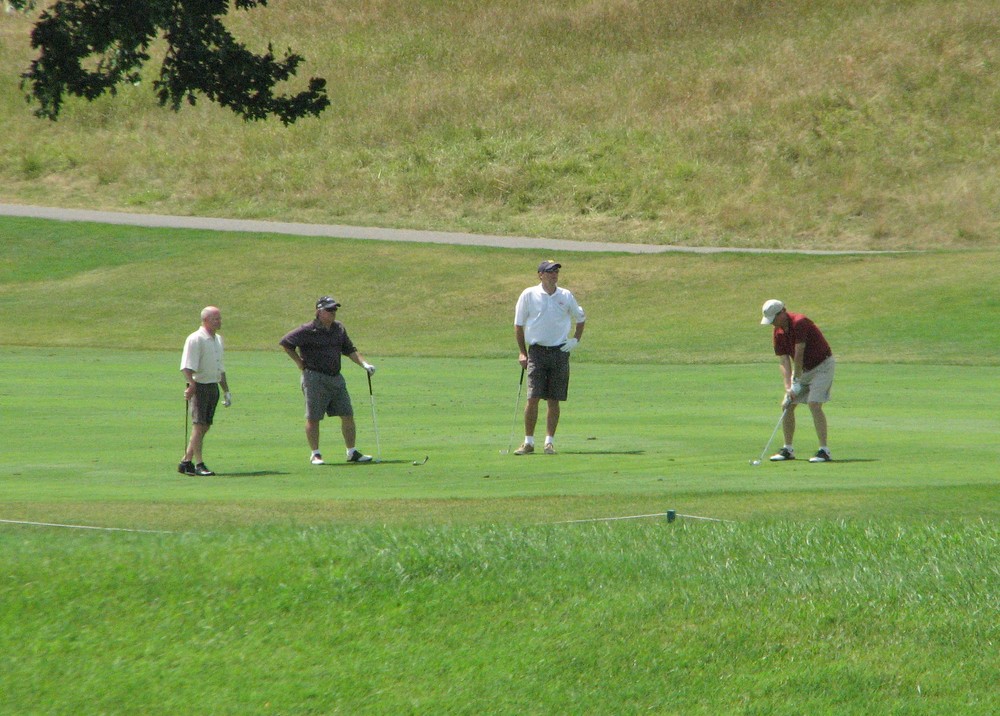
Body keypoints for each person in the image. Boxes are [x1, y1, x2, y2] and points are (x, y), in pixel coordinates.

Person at [280, 296, 376, 465]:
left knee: (347, 414)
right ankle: (315, 454)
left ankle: (352, 452)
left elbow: (350, 350)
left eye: (334, 309)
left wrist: (364, 364)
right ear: (319, 312)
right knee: (313, 417)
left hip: (336, 377)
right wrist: (299, 362)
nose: (333, 312)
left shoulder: (338, 328)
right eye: (329, 310)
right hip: (314, 378)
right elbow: (286, 343)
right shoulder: (308, 330)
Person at [513, 260, 586, 455]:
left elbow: (580, 318)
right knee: (533, 397)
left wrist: (575, 340)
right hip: (537, 352)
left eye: (556, 272)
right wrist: (522, 352)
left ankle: (549, 443)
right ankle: (528, 442)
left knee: (554, 399)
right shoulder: (529, 294)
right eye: (550, 272)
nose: (554, 275)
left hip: (559, 352)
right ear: (540, 275)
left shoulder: (565, 295)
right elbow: (518, 325)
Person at [760, 299, 835, 462]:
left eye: (774, 319)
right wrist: (789, 387)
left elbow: (799, 352)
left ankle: (824, 450)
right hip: (803, 369)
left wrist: (796, 381)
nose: (772, 323)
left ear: (783, 312)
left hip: (822, 366)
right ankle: (788, 449)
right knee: (787, 405)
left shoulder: (799, 322)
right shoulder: (778, 332)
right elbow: (784, 360)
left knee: (814, 403)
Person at [179, 306, 231, 476]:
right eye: (216, 319)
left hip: (212, 385)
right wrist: (191, 384)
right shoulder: (195, 339)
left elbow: (220, 368)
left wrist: (226, 390)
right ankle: (199, 464)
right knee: (199, 425)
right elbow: (186, 366)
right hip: (199, 386)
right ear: (206, 320)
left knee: (205, 425)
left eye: (219, 318)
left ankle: (186, 461)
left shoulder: (218, 340)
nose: (219, 321)